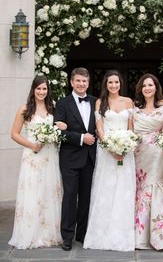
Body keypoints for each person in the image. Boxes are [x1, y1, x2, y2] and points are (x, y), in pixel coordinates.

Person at [83, 69, 136, 251]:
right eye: (110, 82)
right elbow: (100, 129)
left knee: (124, 190)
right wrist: (112, 148)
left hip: (125, 152)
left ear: (121, 83)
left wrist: (125, 146)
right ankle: (101, 234)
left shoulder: (128, 101)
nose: (114, 85)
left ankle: (122, 233)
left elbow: (131, 128)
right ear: (105, 84)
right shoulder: (100, 102)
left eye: (117, 82)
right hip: (106, 151)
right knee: (105, 189)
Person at [8, 75, 62, 249]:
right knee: (33, 192)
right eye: (38, 88)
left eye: (44, 88)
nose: (41, 92)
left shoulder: (52, 108)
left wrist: (60, 128)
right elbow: (14, 134)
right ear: (33, 90)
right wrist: (32, 145)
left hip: (50, 155)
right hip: (33, 155)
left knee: (48, 192)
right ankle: (31, 233)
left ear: (48, 90)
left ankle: (48, 234)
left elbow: (58, 129)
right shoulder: (24, 109)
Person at [54, 67, 97, 251]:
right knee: (70, 196)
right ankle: (67, 236)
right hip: (70, 158)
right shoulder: (63, 103)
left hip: (90, 157)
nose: (81, 84)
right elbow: (58, 131)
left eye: (84, 81)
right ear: (71, 82)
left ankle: (82, 233)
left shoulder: (95, 102)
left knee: (86, 198)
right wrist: (81, 138)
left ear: (88, 83)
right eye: (78, 81)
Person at [133, 74, 163, 250]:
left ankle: (161, 237)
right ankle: (139, 236)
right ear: (140, 89)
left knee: (156, 186)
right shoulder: (134, 108)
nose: (147, 88)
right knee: (140, 188)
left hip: (158, 154)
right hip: (139, 153)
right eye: (144, 86)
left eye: (150, 85)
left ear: (156, 87)